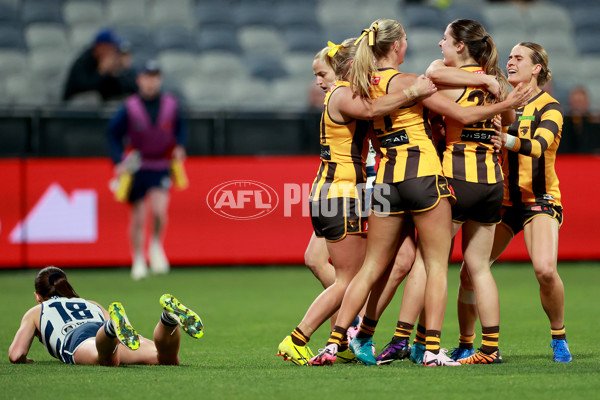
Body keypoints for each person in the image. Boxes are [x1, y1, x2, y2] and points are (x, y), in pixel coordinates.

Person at [308, 19, 532, 367]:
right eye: (407, 39)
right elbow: (460, 112)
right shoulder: (416, 82)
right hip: (425, 175)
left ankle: (337, 343)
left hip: (385, 178)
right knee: (436, 265)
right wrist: (503, 99)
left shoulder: (360, 87)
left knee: (370, 267)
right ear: (397, 46)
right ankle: (429, 350)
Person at [276, 37, 437, 366]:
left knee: (362, 271)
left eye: (321, 73)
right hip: (341, 194)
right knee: (349, 279)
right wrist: (412, 92)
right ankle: (299, 337)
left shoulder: (338, 95)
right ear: (353, 65)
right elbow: (374, 109)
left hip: (328, 193)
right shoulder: (343, 94)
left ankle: (347, 336)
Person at [455, 42, 573, 363]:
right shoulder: (500, 101)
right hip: (504, 202)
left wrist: (505, 138)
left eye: (519, 58)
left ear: (536, 68)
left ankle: (558, 337)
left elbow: (538, 146)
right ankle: (467, 343)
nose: (510, 61)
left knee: (546, 270)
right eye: (509, 57)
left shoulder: (551, 107)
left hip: (540, 200)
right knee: (469, 272)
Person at [8, 266, 203, 366]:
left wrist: (24, 360)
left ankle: (110, 329)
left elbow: (16, 354)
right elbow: (127, 331)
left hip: (77, 339)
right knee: (166, 359)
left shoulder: (36, 312)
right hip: (104, 328)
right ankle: (168, 319)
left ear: (37, 296)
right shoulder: (90, 303)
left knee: (108, 361)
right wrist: (142, 341)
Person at [107, 59, 188, 280]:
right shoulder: (130, 107)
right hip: (137, 165)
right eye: (147, 78)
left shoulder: (171, 104)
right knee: (139, 215)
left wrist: (180, 146)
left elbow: (181, 128)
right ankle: (138, 258)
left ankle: (155, 245)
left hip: (161, 164)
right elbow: (113, 134)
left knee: (160, 211)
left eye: (155, 78)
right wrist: (117, 161)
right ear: (139, 80)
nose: (151, 83)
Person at [63, 28, 137, 102]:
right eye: (111, 49)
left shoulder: (110, 61)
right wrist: (101, 72)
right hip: (75, 106)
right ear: (101, 48)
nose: (113, 53)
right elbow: (83, 88)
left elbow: (126, 89)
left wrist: (121, 71)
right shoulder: (83, 62)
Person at [560, 86, 600, 153]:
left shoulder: (595, 125)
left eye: (580, 102)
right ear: (570, 103)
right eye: (575, 102)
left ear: (586, 103)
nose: (578, 106)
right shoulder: (561, 125)